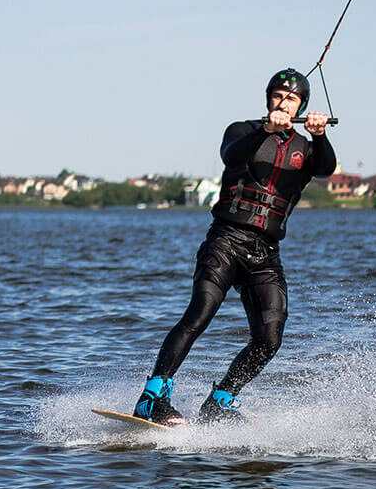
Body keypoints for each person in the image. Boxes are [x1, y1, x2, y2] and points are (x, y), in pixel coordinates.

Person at [132, 68, 337, 425]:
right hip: (224, 242)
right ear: (268, 99)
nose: (283, 103)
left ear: (302, 105)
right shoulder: (242, 131)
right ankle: (153, 396)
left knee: (269, 339)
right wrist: (267, 129)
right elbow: (231, 154)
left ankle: (220, 401)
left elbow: (326, 169)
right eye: (277, 96)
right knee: (198, 315)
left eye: (291, 99)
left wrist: (318, 136)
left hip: (265, 254)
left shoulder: (306, 148)